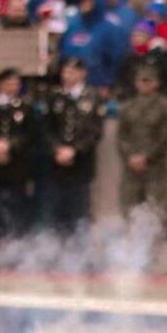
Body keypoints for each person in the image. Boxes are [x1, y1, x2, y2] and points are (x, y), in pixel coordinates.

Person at [43, 58, 106, 236]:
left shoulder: (93, 97)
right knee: (57, 208)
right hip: (57, 162)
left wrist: (75, 150)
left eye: (72, 72)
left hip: (82, 161)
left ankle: (81, 250)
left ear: (82, 73)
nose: (67, 76)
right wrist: (57, 148)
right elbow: (47, 128)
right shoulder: (54, 96)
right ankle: (58, 247)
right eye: (65, 71)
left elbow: (95, 130)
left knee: (81, 207)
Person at [0, 68, 38, 244]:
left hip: (18, 165)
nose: (13, 87)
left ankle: (19, 241)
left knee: (18, 204)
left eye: (16, 83)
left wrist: (10, 147)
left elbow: (31, 134)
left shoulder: (25, 108)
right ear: (0, 84)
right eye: (9, 83)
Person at [116, 63, 167, 223]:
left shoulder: (165, 107)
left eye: (148, 81)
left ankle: (154, 245)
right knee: (129, 210)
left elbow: (165, 138)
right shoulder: (127, 108)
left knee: (155, 210)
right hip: (131, 170)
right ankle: (131, 246)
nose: (144, 84)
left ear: (156, 83)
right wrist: (131, 157)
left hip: (155, 169)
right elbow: (121, 137)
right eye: (141, 81)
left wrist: (146, 158)